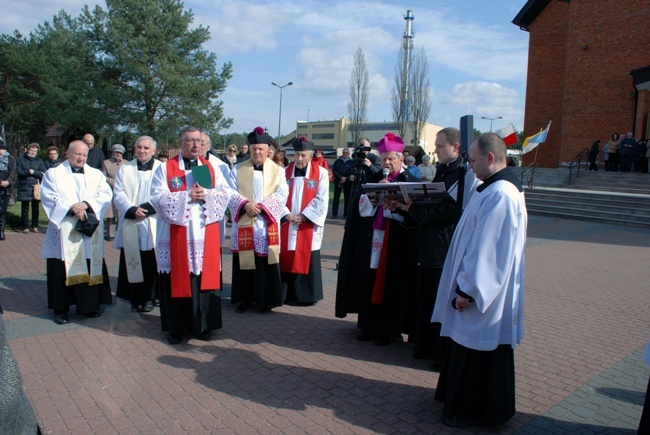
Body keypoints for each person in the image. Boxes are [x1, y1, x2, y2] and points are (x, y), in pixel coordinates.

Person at [432, 132, 527, 428]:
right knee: (474, 348)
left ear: (489, 158)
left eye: (473, 160)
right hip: (479, 289)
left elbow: (489, 250)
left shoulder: (501, 195)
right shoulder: (492, 189)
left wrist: (468, 291)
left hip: (481, 295)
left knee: (478, 349)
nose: (469, 165)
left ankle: (471, 409)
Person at [401, 127, 481, 366]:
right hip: (429, 242)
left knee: (437, 295)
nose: (434, 150)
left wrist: (413, 209)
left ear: (456, 148)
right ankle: (423, 343)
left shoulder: (461, 174)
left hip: (442, 245)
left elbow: (448, 211)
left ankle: (437, 350)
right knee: (425, 295)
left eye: (440, 146)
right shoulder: (444, 171)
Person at [151, 126, 234, 344]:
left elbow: (226, 193)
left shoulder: (212, 167)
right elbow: (157, 198)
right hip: (176, 235)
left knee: (201, 279)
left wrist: (207, 194)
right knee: (177, 279)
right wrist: (186, 196)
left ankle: (203, 325)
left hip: (203, 235)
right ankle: (176, 328)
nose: (196, 145)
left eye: (199, 141)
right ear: (180, 144)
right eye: (190, 141)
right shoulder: (165, 168)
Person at [335, 132, 419, 346]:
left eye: (391, 158)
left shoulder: (409, 181)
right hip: (373, 238)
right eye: (383, 159)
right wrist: (373, 196)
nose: (387, 162)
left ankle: (388, 329)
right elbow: (360, 211)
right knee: (370, 278)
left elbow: (414, 216)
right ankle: (367, 325)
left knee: (390, 281)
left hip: (396, 241)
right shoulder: (373, 179)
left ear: (401, 159)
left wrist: (395, 204)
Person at [40, 140, 113, 325]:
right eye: (77, 154)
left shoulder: (96, 174)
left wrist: (86, 205)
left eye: (84, 155)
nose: (80, 158)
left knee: (88, 264)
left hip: (87, 227)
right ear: (68, 153)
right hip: (64, 226)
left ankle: (88, 306)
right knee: (61, 269)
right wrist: (72, 207)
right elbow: (49, 196)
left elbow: (104, 195)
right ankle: (61, 309)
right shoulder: (54, 174)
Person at [228, 126, 289, 314]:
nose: (257, 152)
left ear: (267, 150)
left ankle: (265, 301)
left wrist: (262, 207)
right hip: (245, 220)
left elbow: (282, 193)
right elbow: (229, 192)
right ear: (249, 149)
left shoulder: (278, 171)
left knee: (265, 264)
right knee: (245, 263)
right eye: (254, 149)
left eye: (261, 149)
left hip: (265, 224)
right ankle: (245, 299)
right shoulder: (237, 169)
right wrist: (245, 204)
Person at [114, 136, 161, 313]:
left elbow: (165, 193)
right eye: (139, 147)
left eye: (146, 148)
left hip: (152, 221)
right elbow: (118, 193)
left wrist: (147, 209)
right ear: (134, 149)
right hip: (132, 219)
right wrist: (132, 209)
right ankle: (135, 297)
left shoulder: (161, 169)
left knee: (152, 261)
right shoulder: (125, 168)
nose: (142, 151)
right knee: (132, 260)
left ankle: (150, 297)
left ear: (153, 151)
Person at [280, 136, 329, 306]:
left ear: (310, 155)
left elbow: (321, 198)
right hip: (288, 222)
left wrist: (304, 216)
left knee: (306, 254)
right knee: (287, 254)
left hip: (307, 223)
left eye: (303, 156)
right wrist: (286, 214)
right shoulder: (284, 172)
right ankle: (286, 294)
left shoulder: (321, 173)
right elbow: (278, 197)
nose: (299, 159)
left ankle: (306, 295)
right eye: (297, 155)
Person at [16, 143, 47, 233]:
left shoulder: (40, 161)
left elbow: (43, 173)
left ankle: (35, 226)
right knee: (25, 208)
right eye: (32, 150)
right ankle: (25, 226)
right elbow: (18, 171)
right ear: (28, 150)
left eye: (35, 151)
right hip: (24, 186)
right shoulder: (21, 160)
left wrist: (34, 172)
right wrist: (28, 172)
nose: (33, 152)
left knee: (35, 208)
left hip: (35, 187)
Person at [102, 144, 125, 241]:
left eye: (120, 153)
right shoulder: (106, 163)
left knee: (121, 212)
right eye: (116, 152)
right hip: (111, 190)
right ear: (113, 152)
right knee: (110, 214)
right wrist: (113, 182)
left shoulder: (127, 163)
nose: (118, 154)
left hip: (124, 190)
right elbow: (103, 176)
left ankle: (122, 232)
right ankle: (110, 234)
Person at [0, 140, 17, 241]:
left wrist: (8, 182)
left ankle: (1, 231)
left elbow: (13, 173)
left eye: (3, 149)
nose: (2, 151)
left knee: (3, 210)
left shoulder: (10, 159)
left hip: (6, 189)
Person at [331, 148, 353, 219]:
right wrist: (340, 177)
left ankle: (346, 214)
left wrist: (346, 178)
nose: (345, 154)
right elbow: (334, 170)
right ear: (342, 153)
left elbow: (352, 172)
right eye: (344, 153)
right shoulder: (337, 161)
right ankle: (334, 213)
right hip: (338, 182)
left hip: (347, 183)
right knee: (336, 198)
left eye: (347, 153)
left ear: (349, 154)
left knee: (347, 199)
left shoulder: (351, 162)